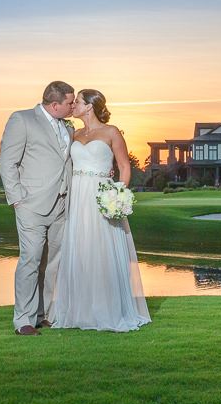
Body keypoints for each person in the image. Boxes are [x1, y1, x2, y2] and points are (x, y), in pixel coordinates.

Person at [49, 89, 151, 332]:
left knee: (102, 250)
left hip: (101, 196)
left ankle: (109, 310)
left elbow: (125, 167)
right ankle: (81, 311)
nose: (73, 106)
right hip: (78, 196)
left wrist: (116, 196)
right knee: (81, 250)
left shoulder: (111, 132)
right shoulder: (73, 134)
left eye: (78, 102)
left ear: (90, 107)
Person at [0, 81, 75, 336]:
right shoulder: (22, 120)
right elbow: (8, 162)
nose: (73, 107)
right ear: (55, 105)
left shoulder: (67, 126)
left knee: (53, 263)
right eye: (69, 103)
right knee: (30, 260)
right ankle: (23, 320)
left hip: (62, 204)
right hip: (31, 204)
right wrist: (18, 198)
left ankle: (43, 315)